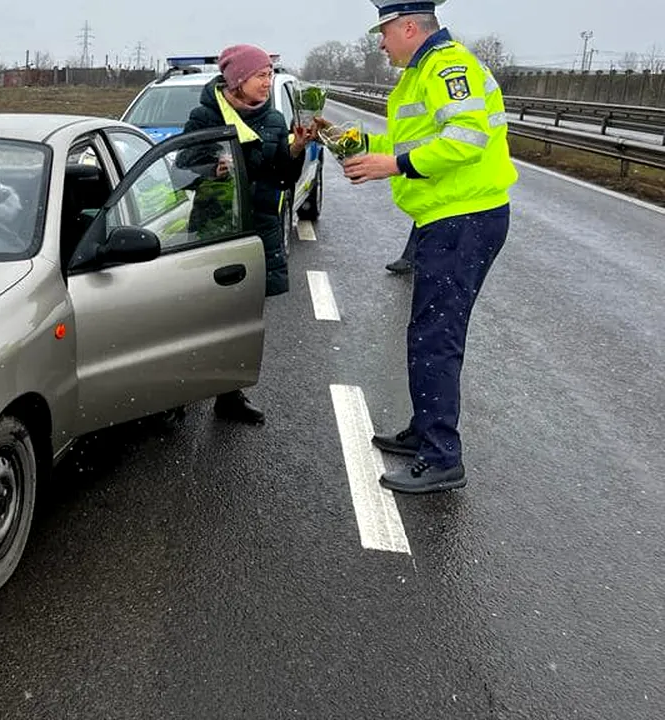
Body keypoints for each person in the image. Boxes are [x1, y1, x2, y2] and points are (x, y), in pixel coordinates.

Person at [333, 0, 518, 493]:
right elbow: (402, 141)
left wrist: (392, 167)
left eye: (384, 32)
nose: (380, 42)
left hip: (465, 218)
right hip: (450, 217)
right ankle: (424, 430)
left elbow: (466, 137)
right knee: (427, 331)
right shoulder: (418, 75)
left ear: (409, 27)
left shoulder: (447, 66)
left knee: (437, 336)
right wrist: (346, 143)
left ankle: (441, 457)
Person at [178, 43, 314, 424]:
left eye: (269, 75)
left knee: (244, 318)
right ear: (237, 80)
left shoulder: (273, 121)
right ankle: (182, 390)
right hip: (215, 228)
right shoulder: (205, 117)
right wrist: (211, 169)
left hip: (259, 230)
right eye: (260, 75)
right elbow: (182, 168)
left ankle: (230, 394)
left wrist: (298, 149)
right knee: (203, 316)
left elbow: (284, 177)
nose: (267, 82)